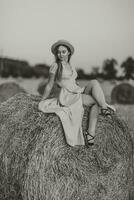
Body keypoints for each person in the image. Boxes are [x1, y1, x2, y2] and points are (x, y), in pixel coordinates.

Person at [38, 40, 115, 146]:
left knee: (94, 82)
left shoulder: (71, 65)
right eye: (59, 52)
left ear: (69, 52)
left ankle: (104, 108)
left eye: (63, 52)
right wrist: (42, 100)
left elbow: (73, 81)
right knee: (95, 102)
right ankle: (91, 133)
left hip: (76, 90)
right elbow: (49, 85)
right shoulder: (55, 66)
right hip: (68, 95)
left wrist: (80, 88)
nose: (61, 54)